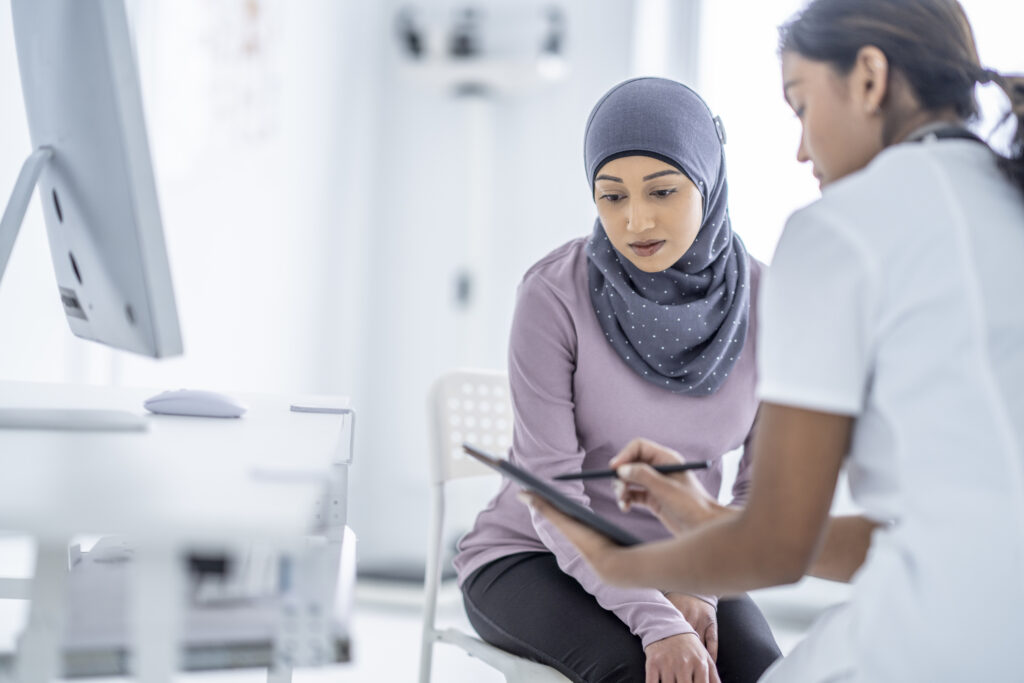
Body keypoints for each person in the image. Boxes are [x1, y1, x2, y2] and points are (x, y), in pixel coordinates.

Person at [523, 1, 1024, 681]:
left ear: (870, 77)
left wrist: (629, 568)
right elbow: (948, 534)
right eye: (613, 195)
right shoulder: (1007, 201)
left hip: (924, 637)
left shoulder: (836, 233)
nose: (800, 146)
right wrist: (701, 519)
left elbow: (778, 543)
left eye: (800, 105)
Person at [453, 77, 781, 683]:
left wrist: (699, 590)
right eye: (611, 196)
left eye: (663, 191)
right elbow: (552, 497)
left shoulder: (768, 301)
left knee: (764, 673)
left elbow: (759, 496)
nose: (636, 221)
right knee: (636, 671)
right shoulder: (553, 293)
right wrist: (659, 623)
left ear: (707, 181)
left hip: (687, 556)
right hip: (534, 555)